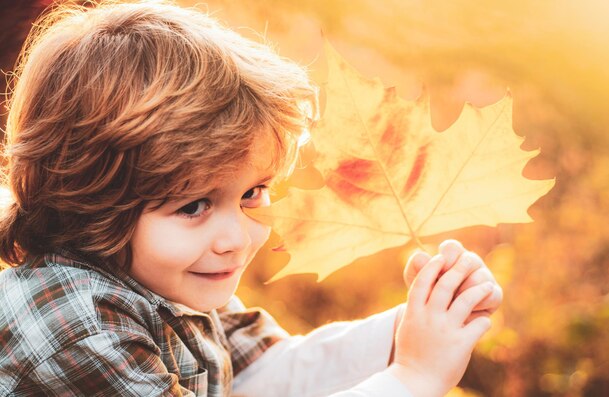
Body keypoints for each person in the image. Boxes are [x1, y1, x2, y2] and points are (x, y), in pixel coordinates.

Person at [0, 1, 502, 396]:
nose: (236, 237)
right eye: (194, 205)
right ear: (92, 204)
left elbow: (266, 376)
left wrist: (416, 327)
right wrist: (412, 378)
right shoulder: (76, 327)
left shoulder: (166, 275)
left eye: (253, 192)